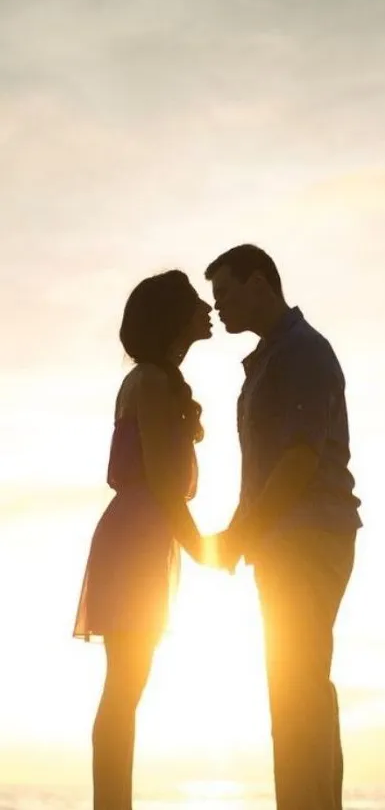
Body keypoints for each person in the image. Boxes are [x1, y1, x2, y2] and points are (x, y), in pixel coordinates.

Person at [205, 244, 362, 810]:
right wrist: (235, 532)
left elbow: (298, 461)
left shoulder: (301, 351)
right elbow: (264, 472)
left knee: (298, 689)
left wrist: (241, 535)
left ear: (258, 283)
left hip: (308, 537)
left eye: (225, 293)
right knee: (299, 687)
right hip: (283, 539)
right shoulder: (271, 357)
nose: (218, 306)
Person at [73, 270, 213, 810]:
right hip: (136, 537)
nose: (208, 309)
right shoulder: (151, 383)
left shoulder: (156, 380)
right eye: (196, 302)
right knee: (125, 685)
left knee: (128, 683)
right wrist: (208, 550)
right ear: (172, 318)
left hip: (145, 535)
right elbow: (161, 481)